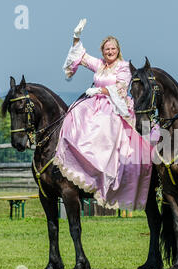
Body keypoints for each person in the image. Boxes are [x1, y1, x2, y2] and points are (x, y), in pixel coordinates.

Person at [54, 19, 153, 211]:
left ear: (118, 50)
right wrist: (76, 37)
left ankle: (106, 172)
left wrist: (100, 91)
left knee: (104, 128)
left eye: (113, 49)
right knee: (74, 113)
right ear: (102, 51)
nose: (110, 52)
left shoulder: (123, 67)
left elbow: (121, 88)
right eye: (107, 49)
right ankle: (82, 167)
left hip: (115, 106)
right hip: (95, 104)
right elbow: (80, 56)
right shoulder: (99, 65)